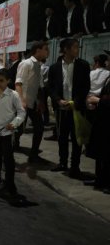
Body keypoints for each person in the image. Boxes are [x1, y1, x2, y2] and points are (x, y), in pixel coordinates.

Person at [47, 38, 90, 178]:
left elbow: (85, 87)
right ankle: (62, 163)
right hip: (61, 109)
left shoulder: (83, 65)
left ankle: (75, 167)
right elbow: (51, 88)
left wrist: (75, 102)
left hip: (76, 108)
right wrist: (58, 100)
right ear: (66, 49)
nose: (78, 50)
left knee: (77, 138)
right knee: (62, 137)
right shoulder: (54, 67)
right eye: (75, 47)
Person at [0, 68, 26, 201]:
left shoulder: (13, 95)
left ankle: (10, 186)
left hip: (7, 134)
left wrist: (14, 123)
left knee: (8, 161)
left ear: (8, 81)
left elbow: (21, 113)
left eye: (1, 80)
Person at [15, 41, 49, 163]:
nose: (48, 52)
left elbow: (39, 87)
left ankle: (33, 155)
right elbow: (18, 83)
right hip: (23, 103)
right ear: (38, 50)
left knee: (39, 128)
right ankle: (9, 151)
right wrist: (22, 101)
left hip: (33, 103)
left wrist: (40, 102)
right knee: (17, 130)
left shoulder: (38, 65)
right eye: (45, 49)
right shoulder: (26, 64)